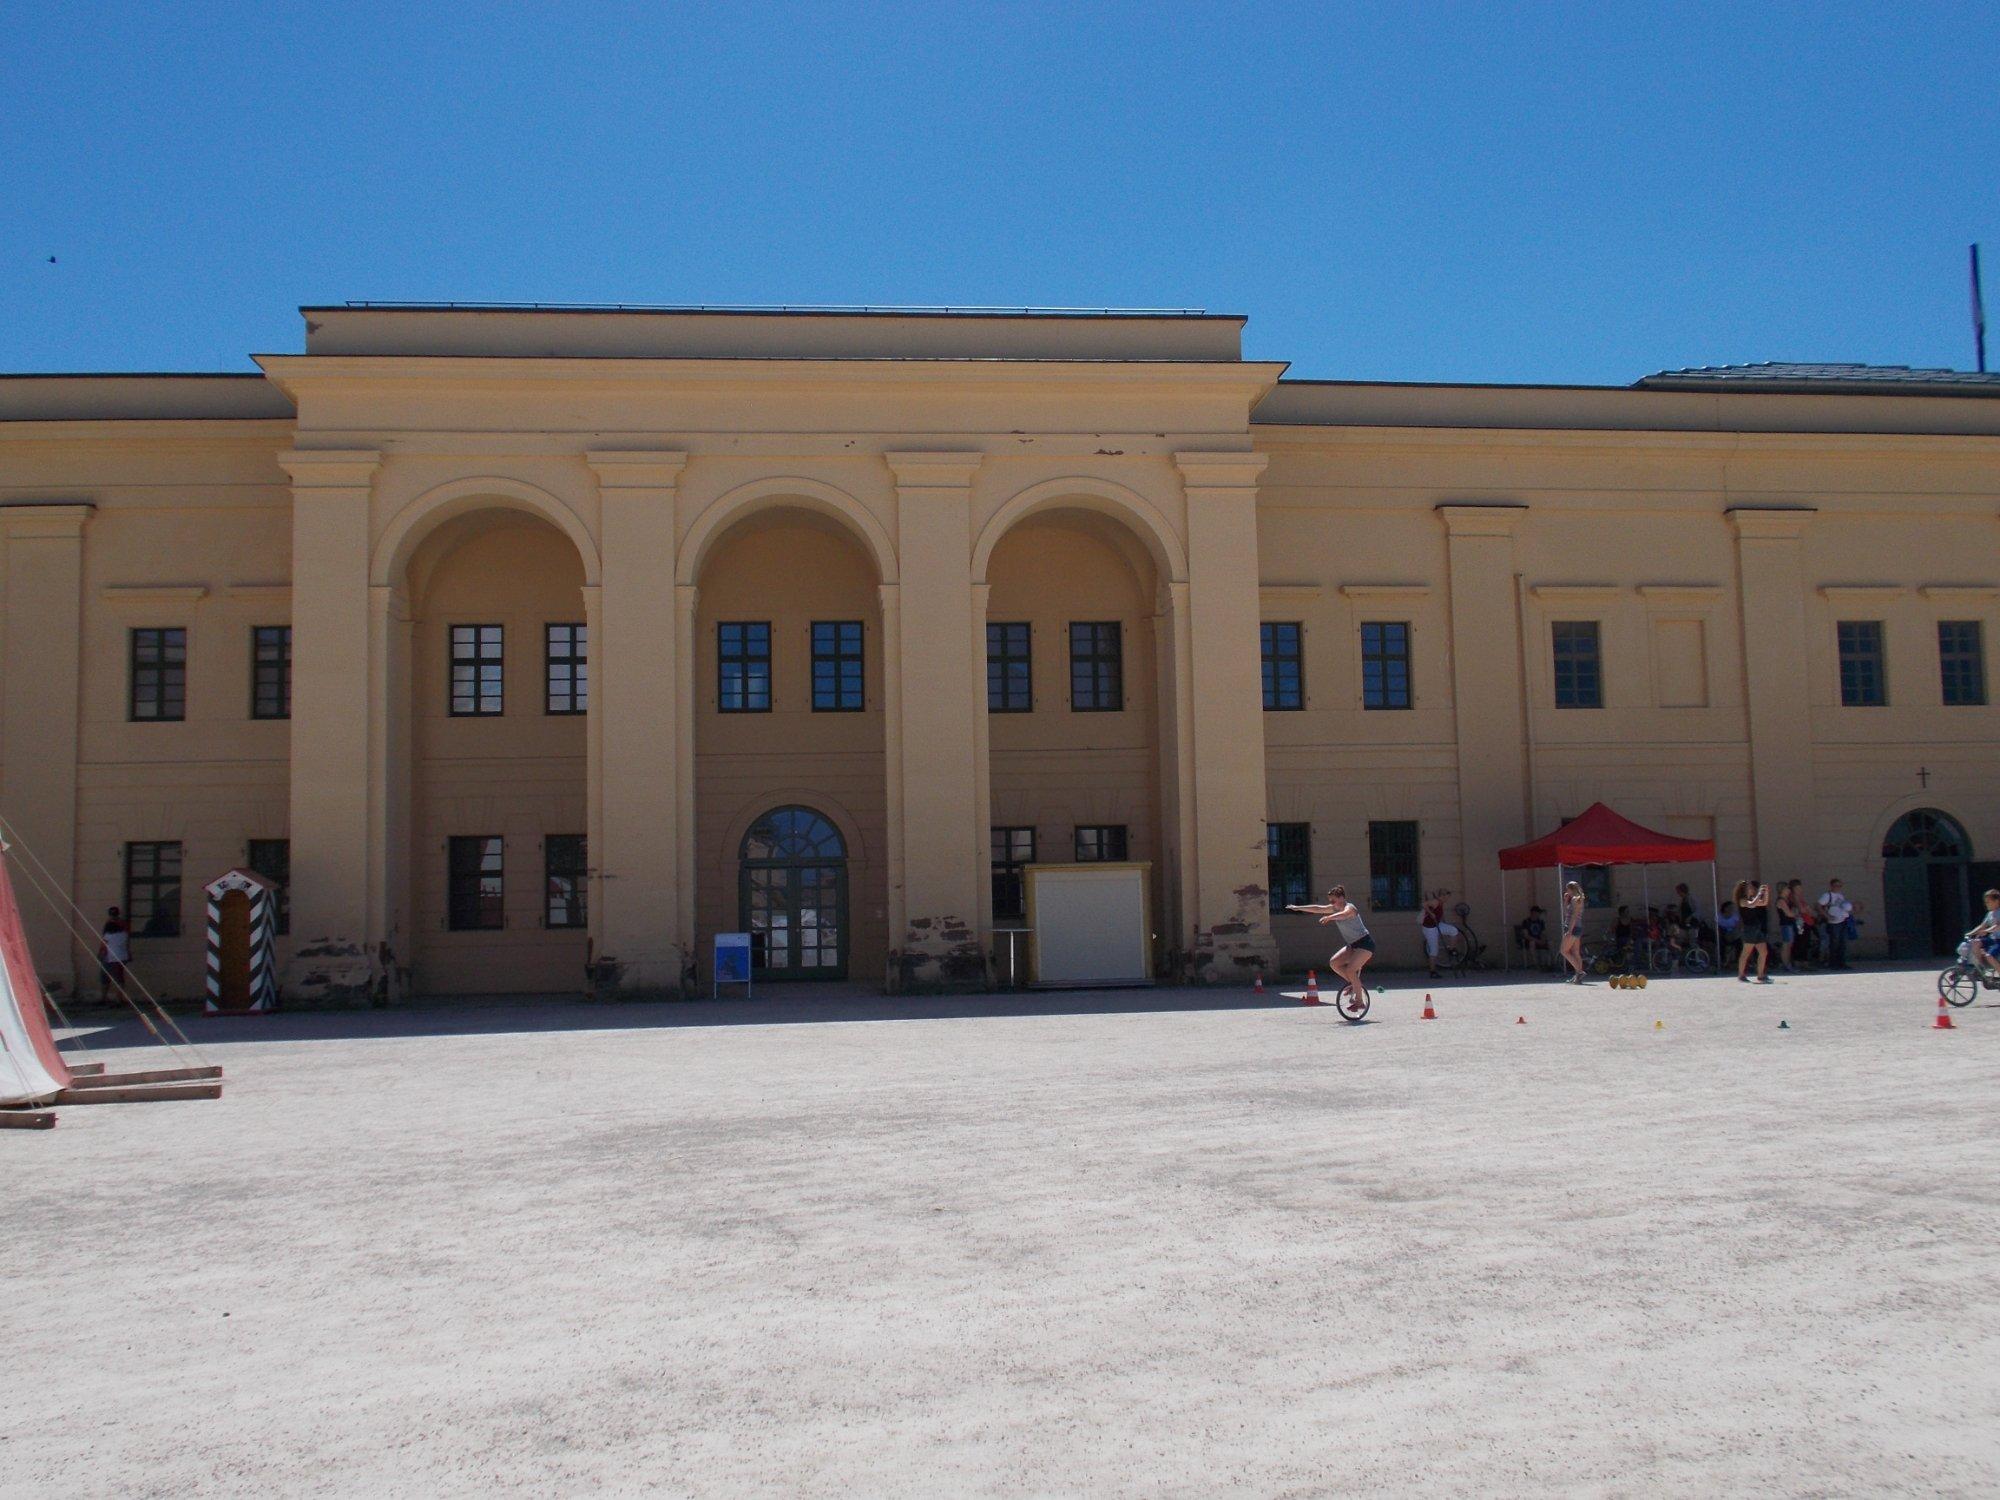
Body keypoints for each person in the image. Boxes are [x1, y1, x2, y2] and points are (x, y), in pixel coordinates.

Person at [1285, 885, 1375, 1008]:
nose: (1332, 904)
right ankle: (1354, 984)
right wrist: (1298, 908)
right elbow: (1317, 908)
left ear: (1342, 898)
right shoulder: (1335, 909)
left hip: (1365, 944)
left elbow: (1344, 915)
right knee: (1334, 963)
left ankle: (1360, 1002)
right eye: (1330, 901)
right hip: (1353, 945)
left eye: (1333, 901)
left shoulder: (1350, 908)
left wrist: (1329, 917)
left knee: (1350, 970)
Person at [1733, 879, 1773, 983]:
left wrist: (1766, 892)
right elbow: (1752, 905)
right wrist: (1759, 893)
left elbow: (1764, 903)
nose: (1751, 889)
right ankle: (1741, 975)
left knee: (1763, 952)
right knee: (1746, 953)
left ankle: (1760, 975)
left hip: (1757, 928)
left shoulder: (1751, 898)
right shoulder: (1742, 900)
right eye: (1749, 887)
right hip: (1749, 929)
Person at [1420, 888, 1460, 979]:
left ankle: (1451, 949)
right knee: (1434, 950)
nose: (1447, 899)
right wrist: (1431, 913)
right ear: (1442, 896)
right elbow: (1424, 904)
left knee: (1453, 930)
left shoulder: (1441, 903)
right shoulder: (1435, 902)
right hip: (1429, 928)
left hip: (1437, 925)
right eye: (1446, 897)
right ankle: (1432, 972)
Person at [1817, 879, 1853, 969]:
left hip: (1843, 920)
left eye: (1840, 886)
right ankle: (1833, 963)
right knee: (1834, 943)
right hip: (1833, 922)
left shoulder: (1840, 896)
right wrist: (1827, 916)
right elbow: (1818, 906)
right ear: (1832, 886)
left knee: (1843, 943)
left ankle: (1842, 962)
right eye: (1836, 886)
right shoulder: (1827, 895)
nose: (1838, 888)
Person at [97, 906, 131, 1002]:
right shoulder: (124, 932)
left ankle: (105, 998)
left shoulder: (108, 933)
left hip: (109, 957)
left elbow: (104, 945)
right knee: (119, 978)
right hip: (121, 956)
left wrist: (100, 954)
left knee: (106, 977)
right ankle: (119, 998)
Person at [1558, 879, 1588, 984]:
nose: (1567, 892)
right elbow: (1568, 913)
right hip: (1577, 927)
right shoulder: (1577, 899)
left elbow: (1574, 916)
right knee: (1575, 952)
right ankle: (1577, 977)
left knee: (1563, 950)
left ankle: (1579, 972)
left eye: (1568, 889)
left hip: (1573, 927)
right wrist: (1565, 901)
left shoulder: (1576, 899)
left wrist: (1569, 930)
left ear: (1571, 889)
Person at [1967, 889, 2000, 976]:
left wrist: (1986, 931)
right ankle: (1981, 968)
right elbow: (1982, 926)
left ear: (1996, 901)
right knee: (1975, 942)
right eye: (1985, 902)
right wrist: (1971, 933)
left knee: (1989, 955)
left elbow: (1997, 926)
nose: (1986, 904)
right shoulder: (1990, 914)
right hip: (1993, 939)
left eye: (1988, 902)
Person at [1716, 901, 1742, 968]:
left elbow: (1738, 927)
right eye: (1730, 907)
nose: (1731, 909)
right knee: (1721, 943)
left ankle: (1738, 960)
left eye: (1732, 908)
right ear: (1725, 908)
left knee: (1739, 943)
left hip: (1733, 934)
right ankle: (1723, 961)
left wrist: (1732, 932)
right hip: (1723, 934)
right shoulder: (1719, 916)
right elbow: (1717, 927)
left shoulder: (1735, 916)